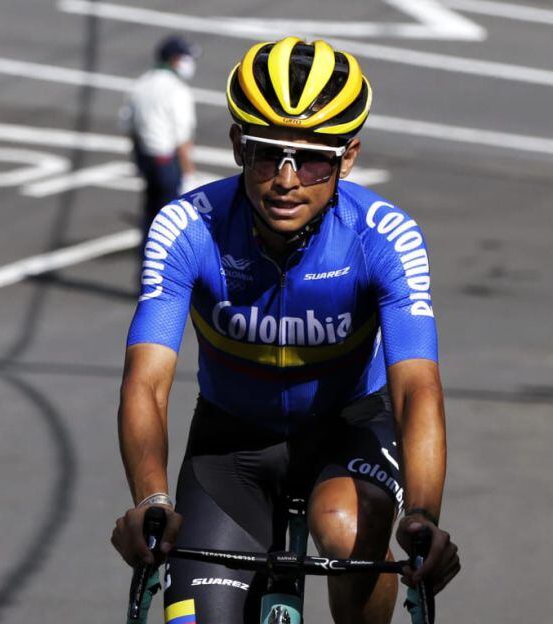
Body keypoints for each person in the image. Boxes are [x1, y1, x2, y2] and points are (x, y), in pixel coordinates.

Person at [111, 37, 460, 623]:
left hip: (349, 432)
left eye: (314, 159)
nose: (287, 180)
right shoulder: (186, 228)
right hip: (232, 447)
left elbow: (415, 389)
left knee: (348, 528)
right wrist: (150, 498)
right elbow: (146, 383)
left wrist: (423, 514)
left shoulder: (386, 238)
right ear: (236, 146)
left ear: (347, 158)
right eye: (268, 154)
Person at [121, 35, 199, 240]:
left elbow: (128, 125)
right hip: (167, 163)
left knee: (150, 218)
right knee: (171, 226)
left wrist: (139, 160)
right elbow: (182, 140)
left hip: (147, 160)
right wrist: (189, 175)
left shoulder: (141, 83)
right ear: (175, 59)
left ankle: (145, 267)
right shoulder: (177, 89)